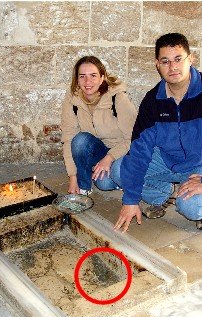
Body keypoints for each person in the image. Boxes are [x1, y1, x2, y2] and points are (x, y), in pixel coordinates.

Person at [114, 33, 202, 232]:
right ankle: (164, 194)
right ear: (157, 64)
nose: (172, 67)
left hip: (199, 165)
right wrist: (130, 200)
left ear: (191, 58)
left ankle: (188, 195)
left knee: (193, 207)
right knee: (119, 170)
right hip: (165, 160)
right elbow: (139, 150)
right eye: (165, 61)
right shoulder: (152, 101)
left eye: (178, 59)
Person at [61, 56, 137, 196]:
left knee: (110, 179)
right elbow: (68, 138)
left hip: (122, 150)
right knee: (80, 140)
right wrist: (73, 178)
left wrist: (109, 158)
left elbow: (134, 137)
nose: (87, 81)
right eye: (82, 76)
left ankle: (127, 176)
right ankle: (84, 189)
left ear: (102, 78)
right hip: (98, 149)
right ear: (77, 80)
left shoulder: (117, 98)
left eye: (93, 76)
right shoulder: (72, 100)